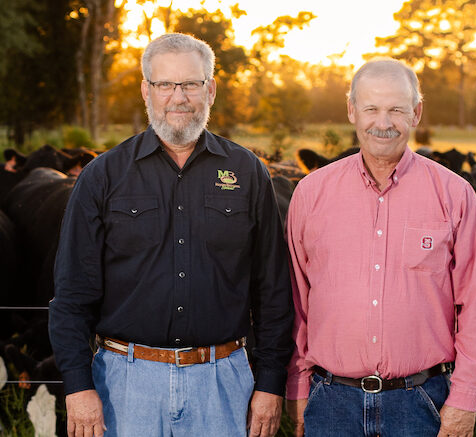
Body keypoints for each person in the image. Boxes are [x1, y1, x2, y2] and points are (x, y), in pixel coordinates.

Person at [49, 33, 293, 437]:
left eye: (191, 84)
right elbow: (73, 292)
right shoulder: (103, 176)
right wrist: (77, 386)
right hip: (125, 384)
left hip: (223, 381)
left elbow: (272, 290)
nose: (178, 97)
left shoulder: (247, 172)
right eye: (165, 84)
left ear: (210, 89)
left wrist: (270, 382)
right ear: (146, 91)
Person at [285, 57, 476, 437]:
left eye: (396, 109)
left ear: (416, 113)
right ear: (352, 111)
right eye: (371, 109)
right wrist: (298, 389)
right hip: (331, 402)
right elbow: (297, 302)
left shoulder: (455, 195)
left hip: (421, 401)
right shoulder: (311, 194)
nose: (383, 123)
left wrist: (465, 400)